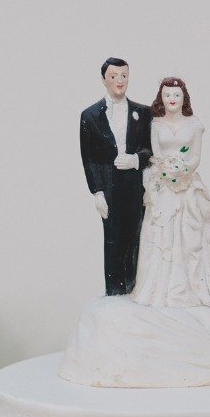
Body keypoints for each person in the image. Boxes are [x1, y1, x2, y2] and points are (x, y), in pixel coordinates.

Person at [131, 76, 210, 330]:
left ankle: (186, 289)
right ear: (161, 98)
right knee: (160, 231)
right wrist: (165, 171)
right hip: (163, 185)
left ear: (184, 98)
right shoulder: (155, 123)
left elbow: (195, 157)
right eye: (167, 95)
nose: (172, 100)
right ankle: (157, 290)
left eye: (176, 96)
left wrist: (182, 171)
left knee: (188, 235)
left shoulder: (194, 125)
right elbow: (157, 154)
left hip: (186, 185)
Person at [79, 58, 152, 295]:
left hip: (134, 185)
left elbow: (150, 148)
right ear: (104, 80)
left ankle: (132, 289)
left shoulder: (143, 112)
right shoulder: (89, 115)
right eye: (113, 76)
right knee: (112, 238)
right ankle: (113, 292)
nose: (119, 81)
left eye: (124, 76)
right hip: (109, 186)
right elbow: (88, 157)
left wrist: (136, 160)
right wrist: (97, 192)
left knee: (134, 236)